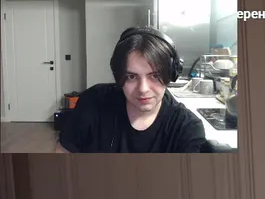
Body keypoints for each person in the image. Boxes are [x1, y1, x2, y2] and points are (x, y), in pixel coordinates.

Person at [56, 27, 206, 153]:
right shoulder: (94, 101)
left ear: (171, 74)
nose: (143, 89)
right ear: (118, 76)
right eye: (131, 77)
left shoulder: (186, 128)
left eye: (155, 76)